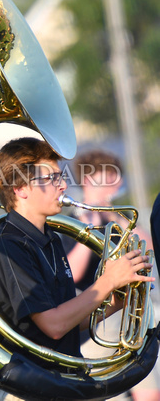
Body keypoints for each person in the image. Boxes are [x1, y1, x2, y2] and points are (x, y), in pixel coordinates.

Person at [0, 137, 155, 401]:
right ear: (20, 188)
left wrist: (119, 301)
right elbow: (53, 325)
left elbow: (69, 319)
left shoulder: (49, 238)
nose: (63, 184)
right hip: (31, 390)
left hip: (63, 383)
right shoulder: (8, 245)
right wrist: (107, 281)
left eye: (60, 176)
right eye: (51, 178)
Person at [66, 149, 160, 401]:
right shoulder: (72, 219)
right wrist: (91, 224)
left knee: (151, 394)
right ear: (87, 180)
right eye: (106, 177)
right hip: (100, 319)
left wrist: (114, 217)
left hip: (134, 316)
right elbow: (73, 273)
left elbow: (150, 251)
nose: (114, 184)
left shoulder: (121, 219)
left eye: (115, 177)